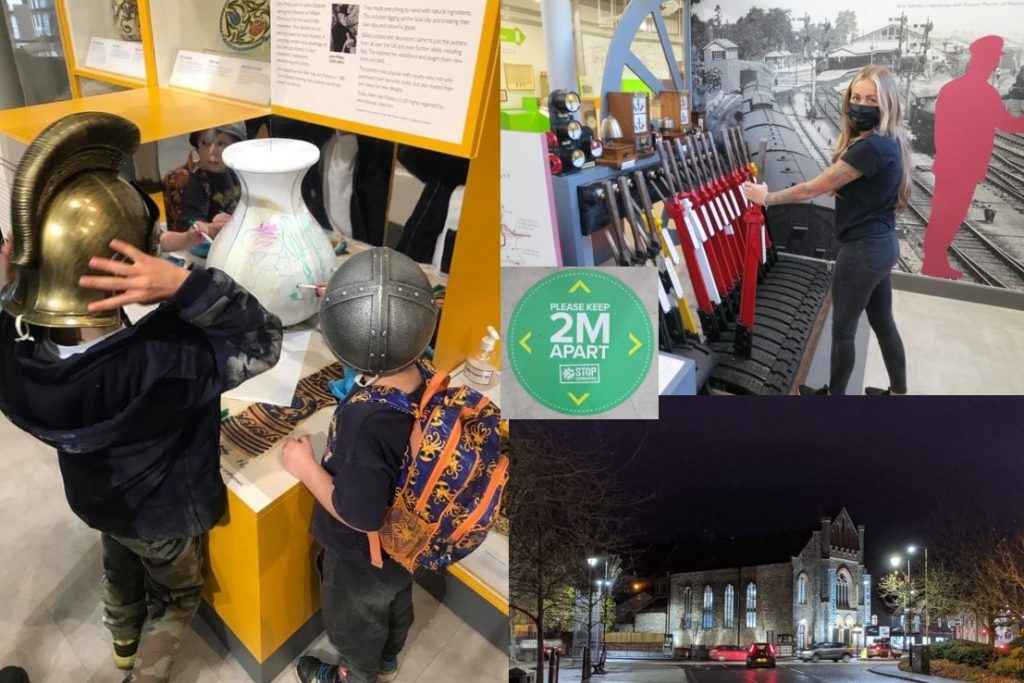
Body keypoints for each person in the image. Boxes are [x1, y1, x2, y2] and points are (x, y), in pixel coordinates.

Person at [0, 112, 283, 683]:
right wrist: (185, 284)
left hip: (98, 498)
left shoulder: (16, 359)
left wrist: (10, 288)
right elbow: (262, 339)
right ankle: (141, 674)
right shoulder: (163, 360)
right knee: (178, 596)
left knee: (119, 562)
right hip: (165, 513)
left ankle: (122, 644)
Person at [281, 248, 439, 683]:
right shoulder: (425, 375)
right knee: (395, 602)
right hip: (407, 540)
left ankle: (357, 673)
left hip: (362, 552)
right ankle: (388, 658)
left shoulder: (363, 420)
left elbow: (359, 513)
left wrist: (304, 466)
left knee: (354, 617)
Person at [742, 65, 909, 396]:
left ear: (886, 103)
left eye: (871, 99)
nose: (860, 105)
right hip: (882, 245)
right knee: (883, 323)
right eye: (856, 97)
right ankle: (899, 395)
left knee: (843, 330)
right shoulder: (891, 142)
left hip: (861, 251)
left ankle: (833, 401)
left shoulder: (870, 148)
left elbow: (812, 189)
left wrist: (768, 197)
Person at [921, 35, 1024, 278]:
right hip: (963, 169)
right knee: (949, 215)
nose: (992, 65)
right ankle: (933, 264)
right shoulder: (986, 94)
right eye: (990, 60)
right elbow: (1007, 124)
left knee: (945, 215)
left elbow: (939, 134)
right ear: (981, 61)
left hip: (951, 167)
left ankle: (934, 262)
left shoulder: (951, 89)